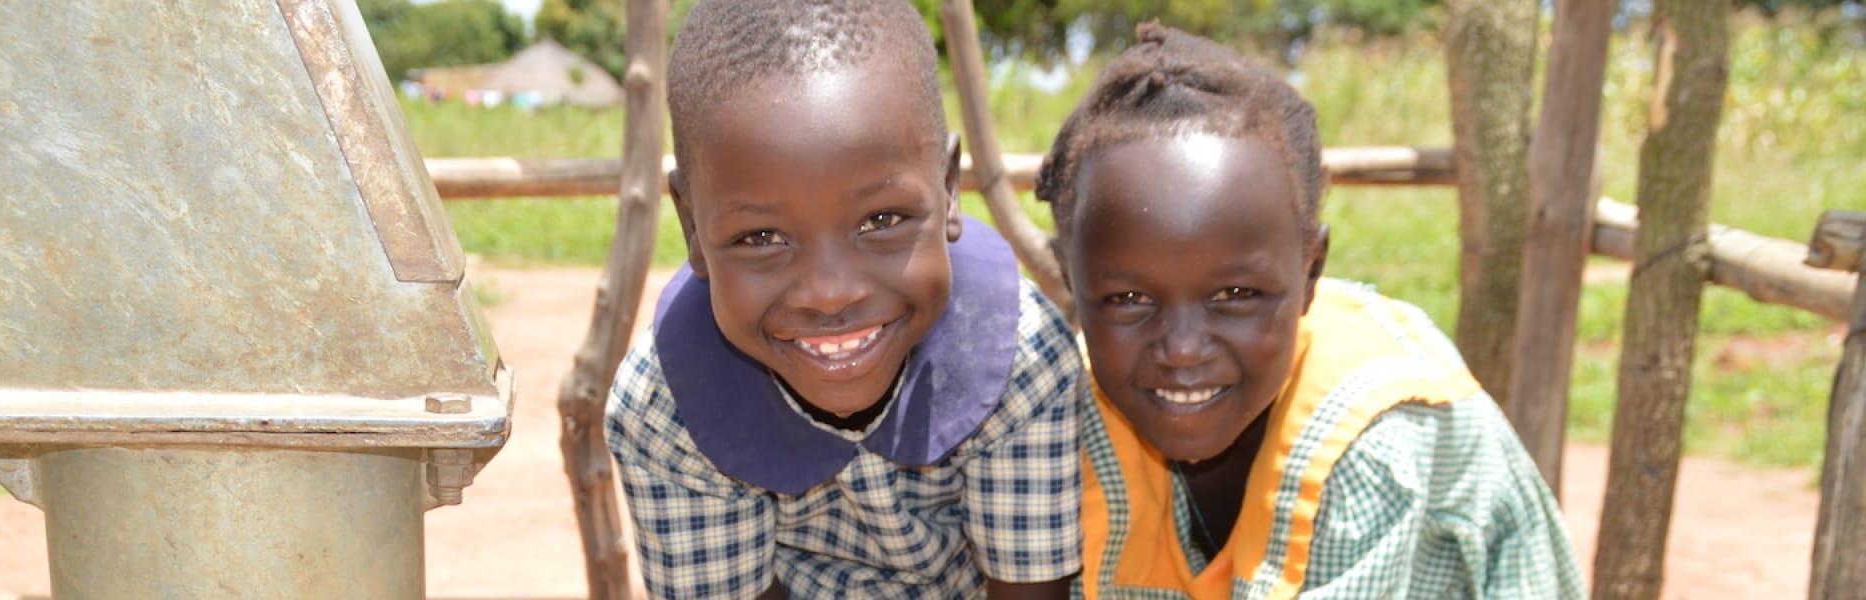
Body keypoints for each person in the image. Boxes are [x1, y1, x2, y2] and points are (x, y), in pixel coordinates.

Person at [1035, 23, 1586, 599]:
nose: (1183, 348)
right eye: (1129, 300)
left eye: (1235, 296)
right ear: (1071, 282)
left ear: (1311, 271)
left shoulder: (1375, 446)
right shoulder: (1064, 416)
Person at [603, 1, 1085, 597]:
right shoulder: (665, 410)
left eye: (881, 219)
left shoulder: (1020, 353)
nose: (830, 294)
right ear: (692, 227)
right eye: (762, 238)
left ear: (948, 189)